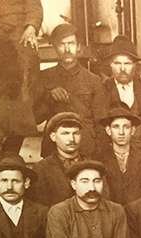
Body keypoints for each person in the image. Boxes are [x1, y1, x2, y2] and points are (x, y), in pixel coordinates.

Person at [34, 23, 108, 156]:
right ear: (55, 48)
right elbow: (36, 118)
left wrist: (98, 152)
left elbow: (101, 123)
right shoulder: (44, 77)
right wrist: (48, 97)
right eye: (62, 44)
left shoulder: (93, 80)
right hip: (53, 149)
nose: (67, 49)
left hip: (85, 148)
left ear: (78, 47)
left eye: (71, 44)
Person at [28, 112, 91, 206]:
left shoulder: (92, 165)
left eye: (76, 133)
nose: (72, 139)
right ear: (53, 137)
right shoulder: (42, 169)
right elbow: (40, 206)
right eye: (65, 133)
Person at [102, 36, 141, 151]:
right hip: (112, 152)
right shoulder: (102, 89)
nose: (122, 69)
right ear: (110, 64)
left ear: (135, 65)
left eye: (127, 63)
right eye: (117, 63)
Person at [95, 106, 141, 205]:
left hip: (138, 213)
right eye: (116, 127)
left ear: (133, 130)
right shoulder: (98, 161)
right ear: (108, 130)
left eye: (126, 127)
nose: (121, 132)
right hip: (110, 213)